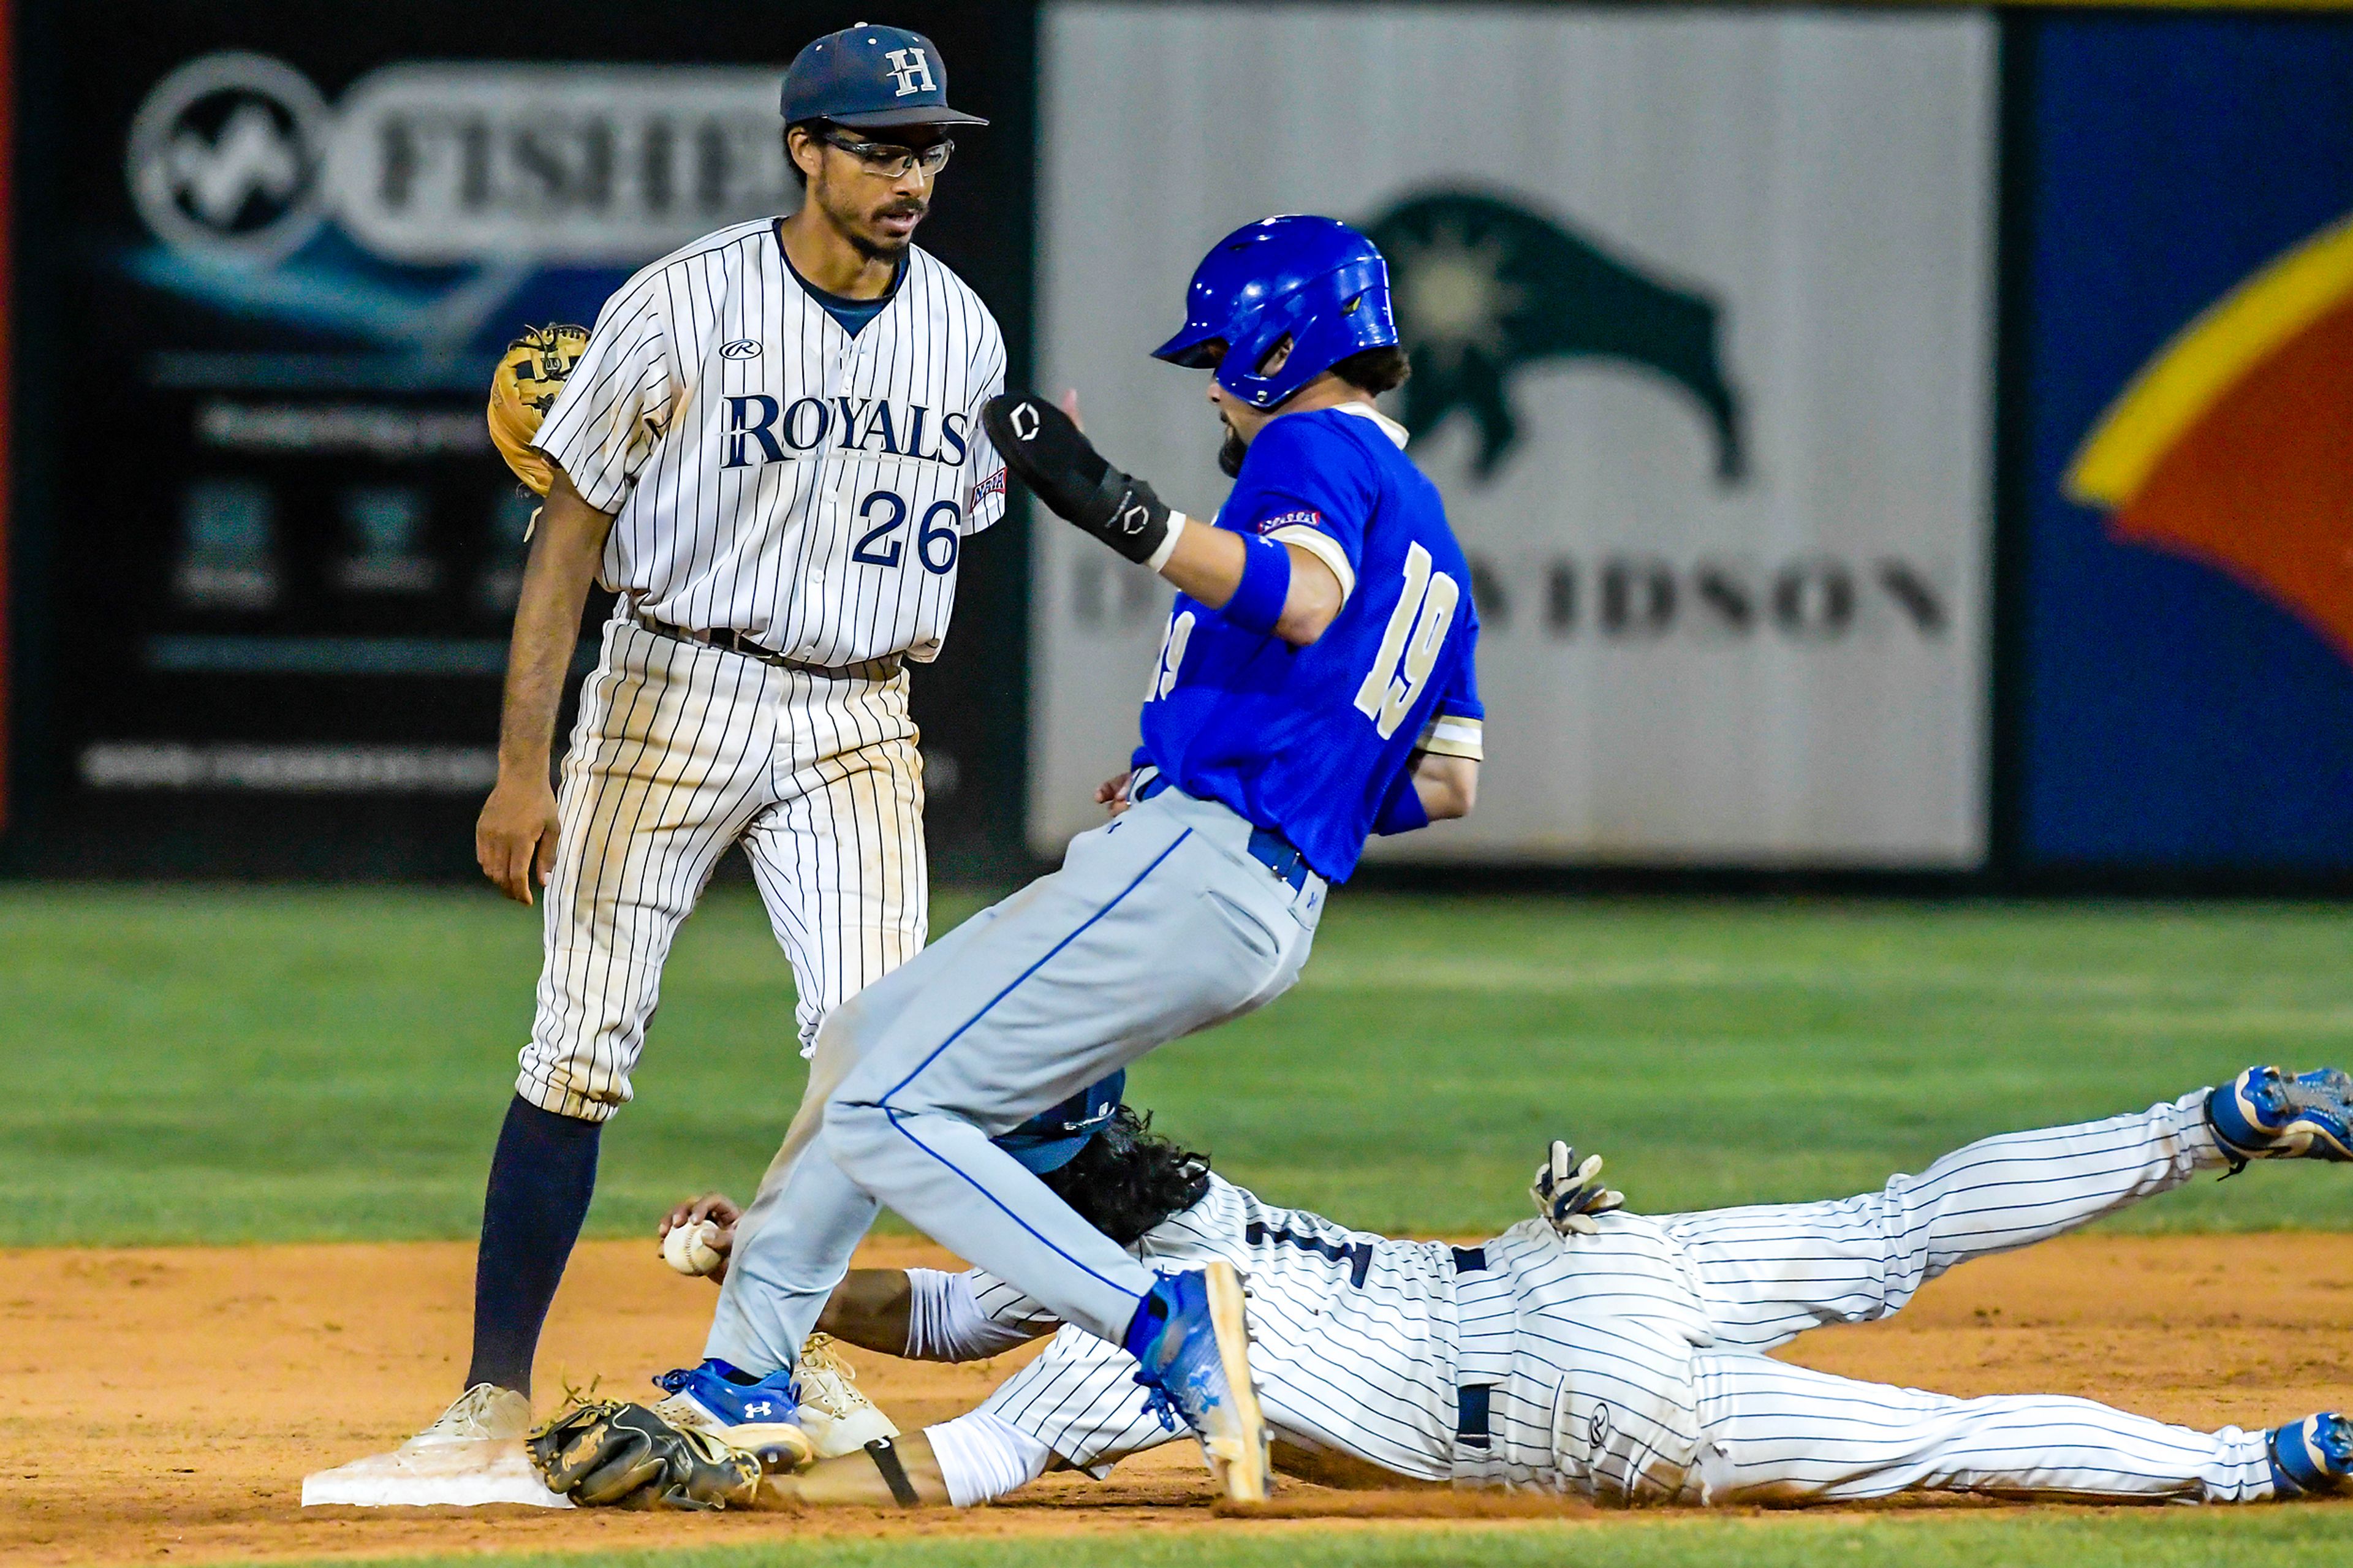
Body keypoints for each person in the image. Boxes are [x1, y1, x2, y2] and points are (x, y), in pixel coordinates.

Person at [650, 214, 1487, 1501]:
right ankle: (745, 1377)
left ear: (1280, 344)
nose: (1213, 381)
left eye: (1221, 352)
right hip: (1252, 887)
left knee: (892, 1109)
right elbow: (1446, 779)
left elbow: (1299, 594)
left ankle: (1162, 1325)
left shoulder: (1312, 442)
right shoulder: (1433, 530)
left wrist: (1108, 500)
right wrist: (1289, 766)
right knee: (866, 1038)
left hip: (1205, 858)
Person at [412, 22, 1008, 1469]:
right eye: (878, 145)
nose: (909, 173)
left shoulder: (967, 330)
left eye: (927, 146)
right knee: (581, 1041)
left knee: (874, 1056)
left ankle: (768, 1359)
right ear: (805, 148)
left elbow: (950, 527)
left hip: (861, 709)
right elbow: (570, 533)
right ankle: (490, 1401)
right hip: (672, 688)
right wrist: (522, 762)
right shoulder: (683, 303)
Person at [570, 1064, 2353, 1510]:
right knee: (1898, 1230)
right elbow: (959, 1313)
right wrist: (773, 1282)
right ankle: (2204, 1124)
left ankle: (2265, 1467)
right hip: (1574, 1263)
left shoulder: (1146, 1340)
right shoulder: (1170, 1207)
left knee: (1950, 1442)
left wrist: (750, 1454)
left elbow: (949, 1463)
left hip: (1588, 1408)